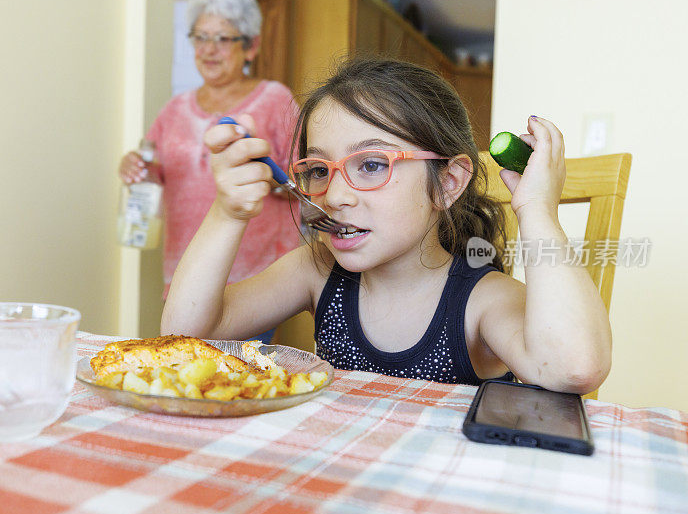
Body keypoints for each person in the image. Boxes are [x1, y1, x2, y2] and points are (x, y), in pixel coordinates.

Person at [161, 58, 612, 394]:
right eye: (319, 170)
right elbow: (184, 334)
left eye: (372, 164)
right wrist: (228, 212)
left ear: (448, 183)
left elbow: (574, 367)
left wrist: (536, 210)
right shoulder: (316, 271)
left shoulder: (482, 300)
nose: (335, 195)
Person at [118, 0, 299, 344]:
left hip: (256, 281)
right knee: (187, 371)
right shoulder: (174, 109)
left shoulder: (276, 99)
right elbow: (153, 171)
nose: (208, 49)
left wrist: (265, 178)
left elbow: (303, 179)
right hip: (187, 274)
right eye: (200, 37)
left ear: (251, 45)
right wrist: (134, 167)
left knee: (239, 383)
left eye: (222, 38)